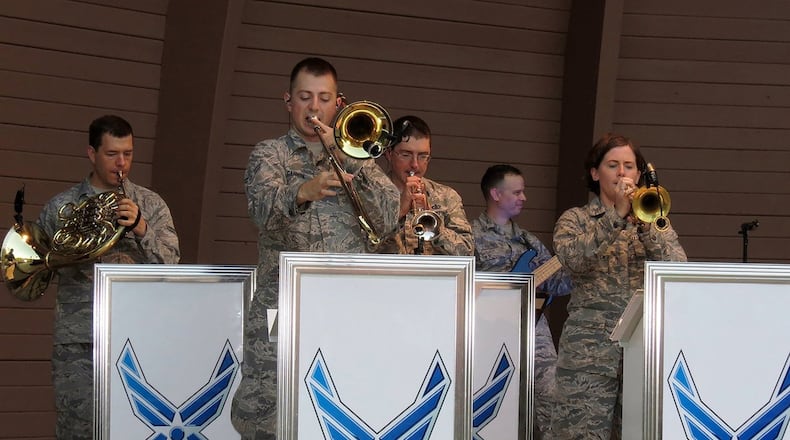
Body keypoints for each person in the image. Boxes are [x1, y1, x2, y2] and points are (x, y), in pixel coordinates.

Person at [231, 57, 401, 439]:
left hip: (347, 311)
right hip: (283, 310)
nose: (314, 107)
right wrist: (301, 191)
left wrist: (346, 157)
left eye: (323, 98)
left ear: (338, 104)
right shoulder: (268, 154)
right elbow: (261, 212)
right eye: (305, 97)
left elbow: (389, 216)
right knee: (266, 417)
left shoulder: (357, 156)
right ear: (288, 101)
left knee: (343, 410)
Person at [36, 114, 180, 439]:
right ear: (92, 153)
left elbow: (172, 265)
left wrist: (142, 228)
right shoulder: (63, 205)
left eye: (128, 153)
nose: (121, 163)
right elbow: (37, 264)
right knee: (78, 429)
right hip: (79, 342)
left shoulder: (150, 204)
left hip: (137, 339)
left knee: (134, 429)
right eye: (112, 153)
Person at [550, 133, 687, 439]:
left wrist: (648, 228)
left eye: (629, 166)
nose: (622, 173)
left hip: (643, 355)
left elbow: (677, 270)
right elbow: (574, 260)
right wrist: (615, 216)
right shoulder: (576, 219)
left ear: (639, 175)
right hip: (588, 360)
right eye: (613, 165)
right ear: (595, 173)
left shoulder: (654, 219)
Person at [472, 164, 572, 439]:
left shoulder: (529, 242)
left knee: (551, 393)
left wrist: (569, 267)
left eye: (523, 191)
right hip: (484, 329)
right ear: (495, 194)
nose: (523, 197)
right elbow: (460, 285)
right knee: (485, 397)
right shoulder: (468, 236)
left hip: (531, 328)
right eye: (516, 192)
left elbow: (561, 284)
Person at [379, 115, 474, 256]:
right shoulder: (371, 193)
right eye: (406, 154)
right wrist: (398, 214)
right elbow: (359, 247)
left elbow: (468, 252)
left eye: (423, 156)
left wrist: (435, 227)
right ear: (389, 153)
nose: (415, 164)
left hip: (435, 277)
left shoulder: (447, 196)